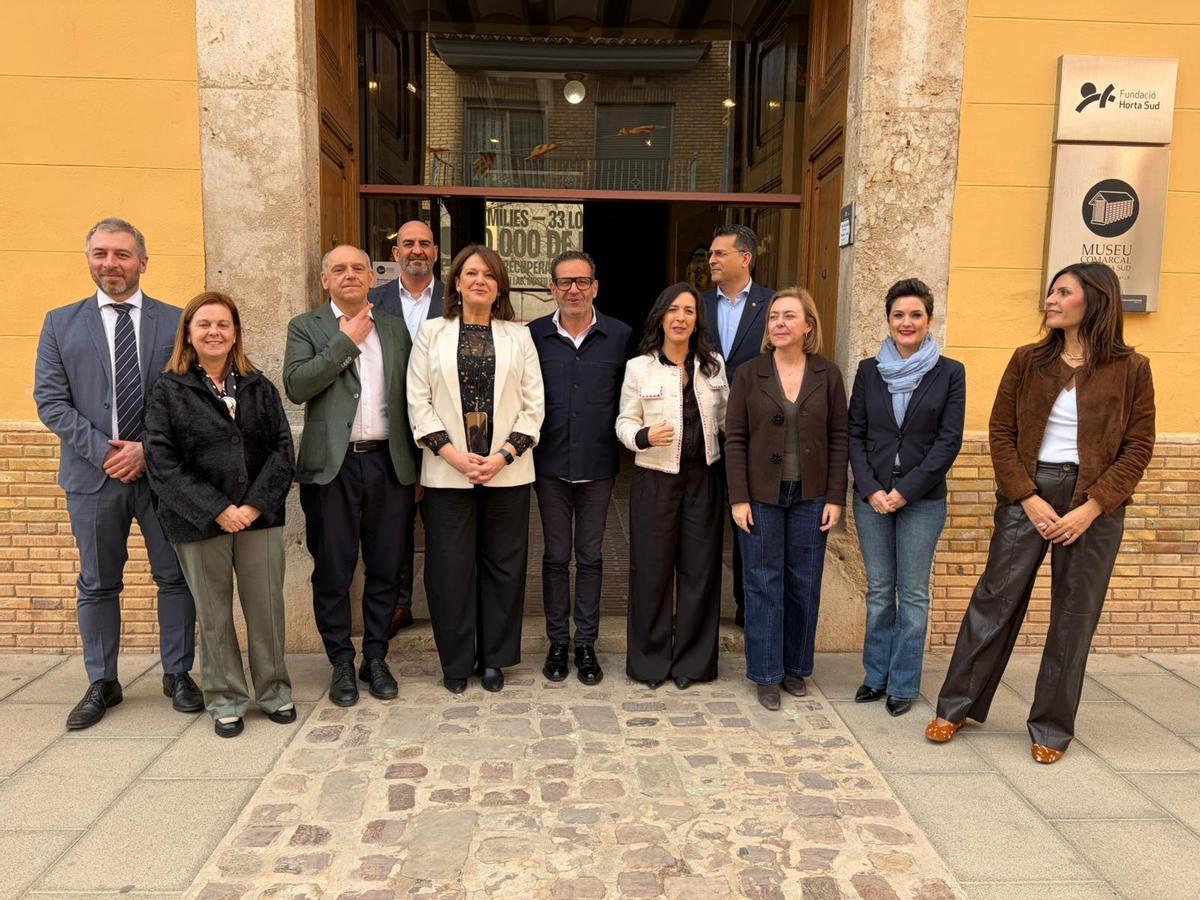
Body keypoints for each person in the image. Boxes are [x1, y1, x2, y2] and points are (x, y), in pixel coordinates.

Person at [927, 262, 1155, 764]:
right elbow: (1001, 432)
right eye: (1051, 292)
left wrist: (1092, 507)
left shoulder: (1132, 369)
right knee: (994, 600)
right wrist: (1027, 498)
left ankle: (1051, 727)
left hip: (1094, 504)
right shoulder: (1028, 360)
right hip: (1028, 493)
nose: (1050, 300)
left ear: (1094, 300)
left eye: (1062, 292)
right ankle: (955, 707)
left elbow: (1138, 447)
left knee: (1074, 616)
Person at [34, 218, 201, 730]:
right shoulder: (61, 323)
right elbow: (51, 402)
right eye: (101, 253)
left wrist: (147, 450)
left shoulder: (176, 322)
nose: (111, 263)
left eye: (122, 254)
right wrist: (107, 454)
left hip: (163, 477)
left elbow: (191, 398)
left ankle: (177, 673)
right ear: (89, 260)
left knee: (175, 577)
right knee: (98, 582)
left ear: (142, 263)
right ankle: (102, 681)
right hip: (93, 478)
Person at [144, 292, 296, 738]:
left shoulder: (258, 386)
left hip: (258, 518)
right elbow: (161, 462)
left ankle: (274, 691)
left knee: (266, 609)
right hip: (196, 521)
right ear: (189, 334)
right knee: (213, 614)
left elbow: (282, 450)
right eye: (204, 324)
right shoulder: (169, 390)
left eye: (223, 325)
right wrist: (218, 509)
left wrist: (253, 505)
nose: (214, 332)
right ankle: (226, 698)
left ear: (235, 333)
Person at [284, 244, 419, 707]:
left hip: (389, 463)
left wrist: (419, 464)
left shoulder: (395, 329)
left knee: (386, 566)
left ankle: (375, 656)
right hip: (332, 468)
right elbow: (297, 386)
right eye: (338, 269)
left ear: (372, 278)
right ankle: (341, 660)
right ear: (325, 280)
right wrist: (346, 341)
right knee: (333, 569)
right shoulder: (306, 327)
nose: (350, 275)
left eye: (358, 268)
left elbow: (411, 396)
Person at [407, 243, 545, 694]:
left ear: (499, 286)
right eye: (471, 273)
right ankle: (455, 660)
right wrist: (452, 454)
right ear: (457, 284)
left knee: (504, 567)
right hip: (448, 471)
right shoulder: (432, 333)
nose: (479, 280)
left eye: (488, 274)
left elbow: (534, 407)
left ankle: (494, 659)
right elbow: (418, 401)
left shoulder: (519, 336)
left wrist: (502, 456)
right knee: (449, 569)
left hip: (507, 471)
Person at [724, 288, 848, 711]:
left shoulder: (828, 374)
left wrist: (836, 496)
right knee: (762, 583)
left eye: (789, 316)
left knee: (804, 583)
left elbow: (840, 437)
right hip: (760, 496)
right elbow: (735, 438)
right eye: (774, 316)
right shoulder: (749, 373)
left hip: (812, 496)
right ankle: (765, 673)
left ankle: (795, 668)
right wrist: (738, 498)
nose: (779, 323)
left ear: (808, 326)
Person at [847, 278, 965, 718]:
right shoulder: (868, 370)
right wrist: (872, 489)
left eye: (916, 314)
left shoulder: (950, 373)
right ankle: (875, 676)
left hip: (922, 500)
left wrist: (904, 491)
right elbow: (855, 433)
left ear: (929, 320)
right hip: (872, 498)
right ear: (888, 320)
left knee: (912, 594)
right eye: (898, 315)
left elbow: (948, 442)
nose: (906, 322)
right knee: (879, 591)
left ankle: (903, 684)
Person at [616, 283, 728, 690]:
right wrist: (643, 436)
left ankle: (693, 663)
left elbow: (729, 420)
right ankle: (650, 662)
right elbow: (624, 421)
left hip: (703, 479)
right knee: (651, 571)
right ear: (661, 316)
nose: (681, 318)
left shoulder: (713, 366)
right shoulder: (639, 367)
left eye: (689, 311)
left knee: (700, 571)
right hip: (655, 478)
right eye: (674, 310)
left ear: (698, 321)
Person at [529, 250, 632, 685]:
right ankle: (558, 642)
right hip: (549, 463)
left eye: (582, 281)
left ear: (596, 287)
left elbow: (631, 397)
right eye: (565, 282)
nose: (574, 289)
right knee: (555, 557)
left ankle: (586, 643)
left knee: (590, 557)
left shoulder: (620, 336)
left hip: (598, 465)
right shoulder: (532, 335)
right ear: (551, 288)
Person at [368, 220, 445, 638]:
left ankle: (446, 606)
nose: (417, 250)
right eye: (408, 244)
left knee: (443, 525)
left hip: (445, 431)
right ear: (395, 252)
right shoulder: (372, 301)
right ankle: (399, 604)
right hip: (389, 427)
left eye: (425, 244)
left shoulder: (455, 300)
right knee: (393, 526)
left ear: (436, 252)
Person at [703, 224, 774, 628]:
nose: (711, 260)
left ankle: (748, 609)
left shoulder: (772, 306)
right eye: (711, 254)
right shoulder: (697, 306)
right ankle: (702, 611)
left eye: (719, 253)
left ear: (745, 258)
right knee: (703, 525)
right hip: (705, 434)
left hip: (755, 436)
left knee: (750, 524)